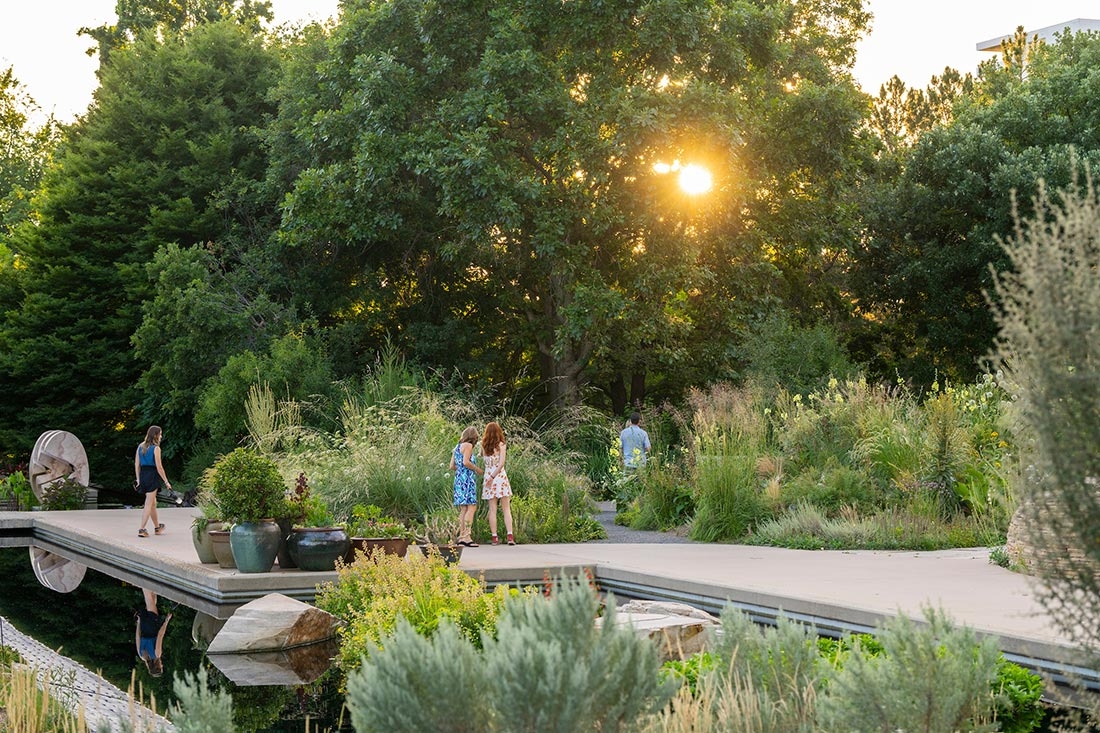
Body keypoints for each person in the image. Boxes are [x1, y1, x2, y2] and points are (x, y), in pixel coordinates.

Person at [481, 421, 515, 545]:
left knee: (492, 509)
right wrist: (494, 476)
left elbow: (483, 458)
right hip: (500, 477)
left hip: (488, 477)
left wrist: (489, 477)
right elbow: (501, 464)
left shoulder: (483, 445)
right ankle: (510, 535)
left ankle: (494, 537)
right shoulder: (501, 445)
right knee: (506, 508)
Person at [134, 426, 172, 538]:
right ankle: (142, 529)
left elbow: (137, 464)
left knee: (153, 504)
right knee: (149, 503)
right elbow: (159, 467)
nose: (161, 436)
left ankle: (157, 527)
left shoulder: (140, 447)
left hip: (143, 476)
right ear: (155, 435)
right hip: (152, 476)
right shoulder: (156, 448)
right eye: (160, 434)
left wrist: (138, 479)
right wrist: (166, 481)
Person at [449, 426, 484, 547]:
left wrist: (461, 471)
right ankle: (467, 536)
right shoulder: (468, 446)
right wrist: (477, 469)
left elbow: (452, 466)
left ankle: (461, 536)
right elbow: (466, 462)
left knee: (464, 509)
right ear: (473, 437)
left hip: (459, 479)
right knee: (472, 507)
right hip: (467, 480)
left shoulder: (457, 447)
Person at [135, 588, 171, 677]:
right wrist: (139, 623)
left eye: (161, 667)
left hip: (153, 625)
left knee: (149, 599)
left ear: (157, 666)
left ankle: (144, 581)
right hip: (144, 626)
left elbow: (160, 636)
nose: (162, 665)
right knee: (152, 601)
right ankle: (151, 582)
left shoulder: (157, 655)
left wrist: (166, 621)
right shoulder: (142, 656)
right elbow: (137, 637)